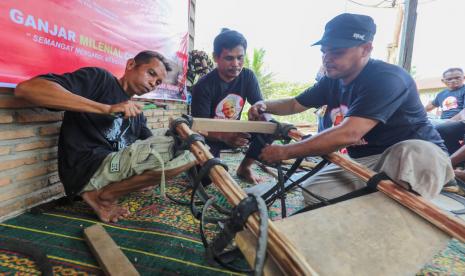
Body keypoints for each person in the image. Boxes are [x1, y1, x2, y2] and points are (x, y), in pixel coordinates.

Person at [248, 13, 454, 205]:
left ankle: (408, 203)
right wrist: (264, 105)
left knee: (416, 152)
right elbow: (294, 104)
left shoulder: (387, 78)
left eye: (337, 51)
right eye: (324, 51)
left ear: (366, 49)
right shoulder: (332, 79)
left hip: (417, 156)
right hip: (366, 160)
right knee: (313, 192)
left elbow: (349, 133)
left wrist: (286, 151)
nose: (327, 58)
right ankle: (379, 203)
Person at [14, 50, 196, 223]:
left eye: (157, 82)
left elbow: (150, 142)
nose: (152, 83)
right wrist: (106, 109)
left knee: (185, 147)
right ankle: (104, 196)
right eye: (150, 73)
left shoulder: (136, 113)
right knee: (182, 149)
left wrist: (151, 172)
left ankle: (107, 191)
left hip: (113, 169)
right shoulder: (99, 79)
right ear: (131, 64)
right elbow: (27, 89)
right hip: (86, 169)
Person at [191, 29, 267, 184]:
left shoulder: (248, 76)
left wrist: (258, 108)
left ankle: (244, 168)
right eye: (229, 58)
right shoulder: (203, 86)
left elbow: (259, 102)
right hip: (210, 137)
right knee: (204, 179)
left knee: (269, 126)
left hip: (236, 132)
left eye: (240, 58)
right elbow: (199, 127)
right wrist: (225, 136)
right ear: (216, 57)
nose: (236, 64)